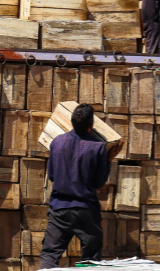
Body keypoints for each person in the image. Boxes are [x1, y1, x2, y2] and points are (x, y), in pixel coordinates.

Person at [39, 104, 124, 269]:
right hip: (85, 211)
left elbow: (52, 176)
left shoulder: (57, 142)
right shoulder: (98, 148)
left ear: (71, 123)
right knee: (90, 258)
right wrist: (109, 159)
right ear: (91, 126)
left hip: (59, 210)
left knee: (49, 255)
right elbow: (99, 183)